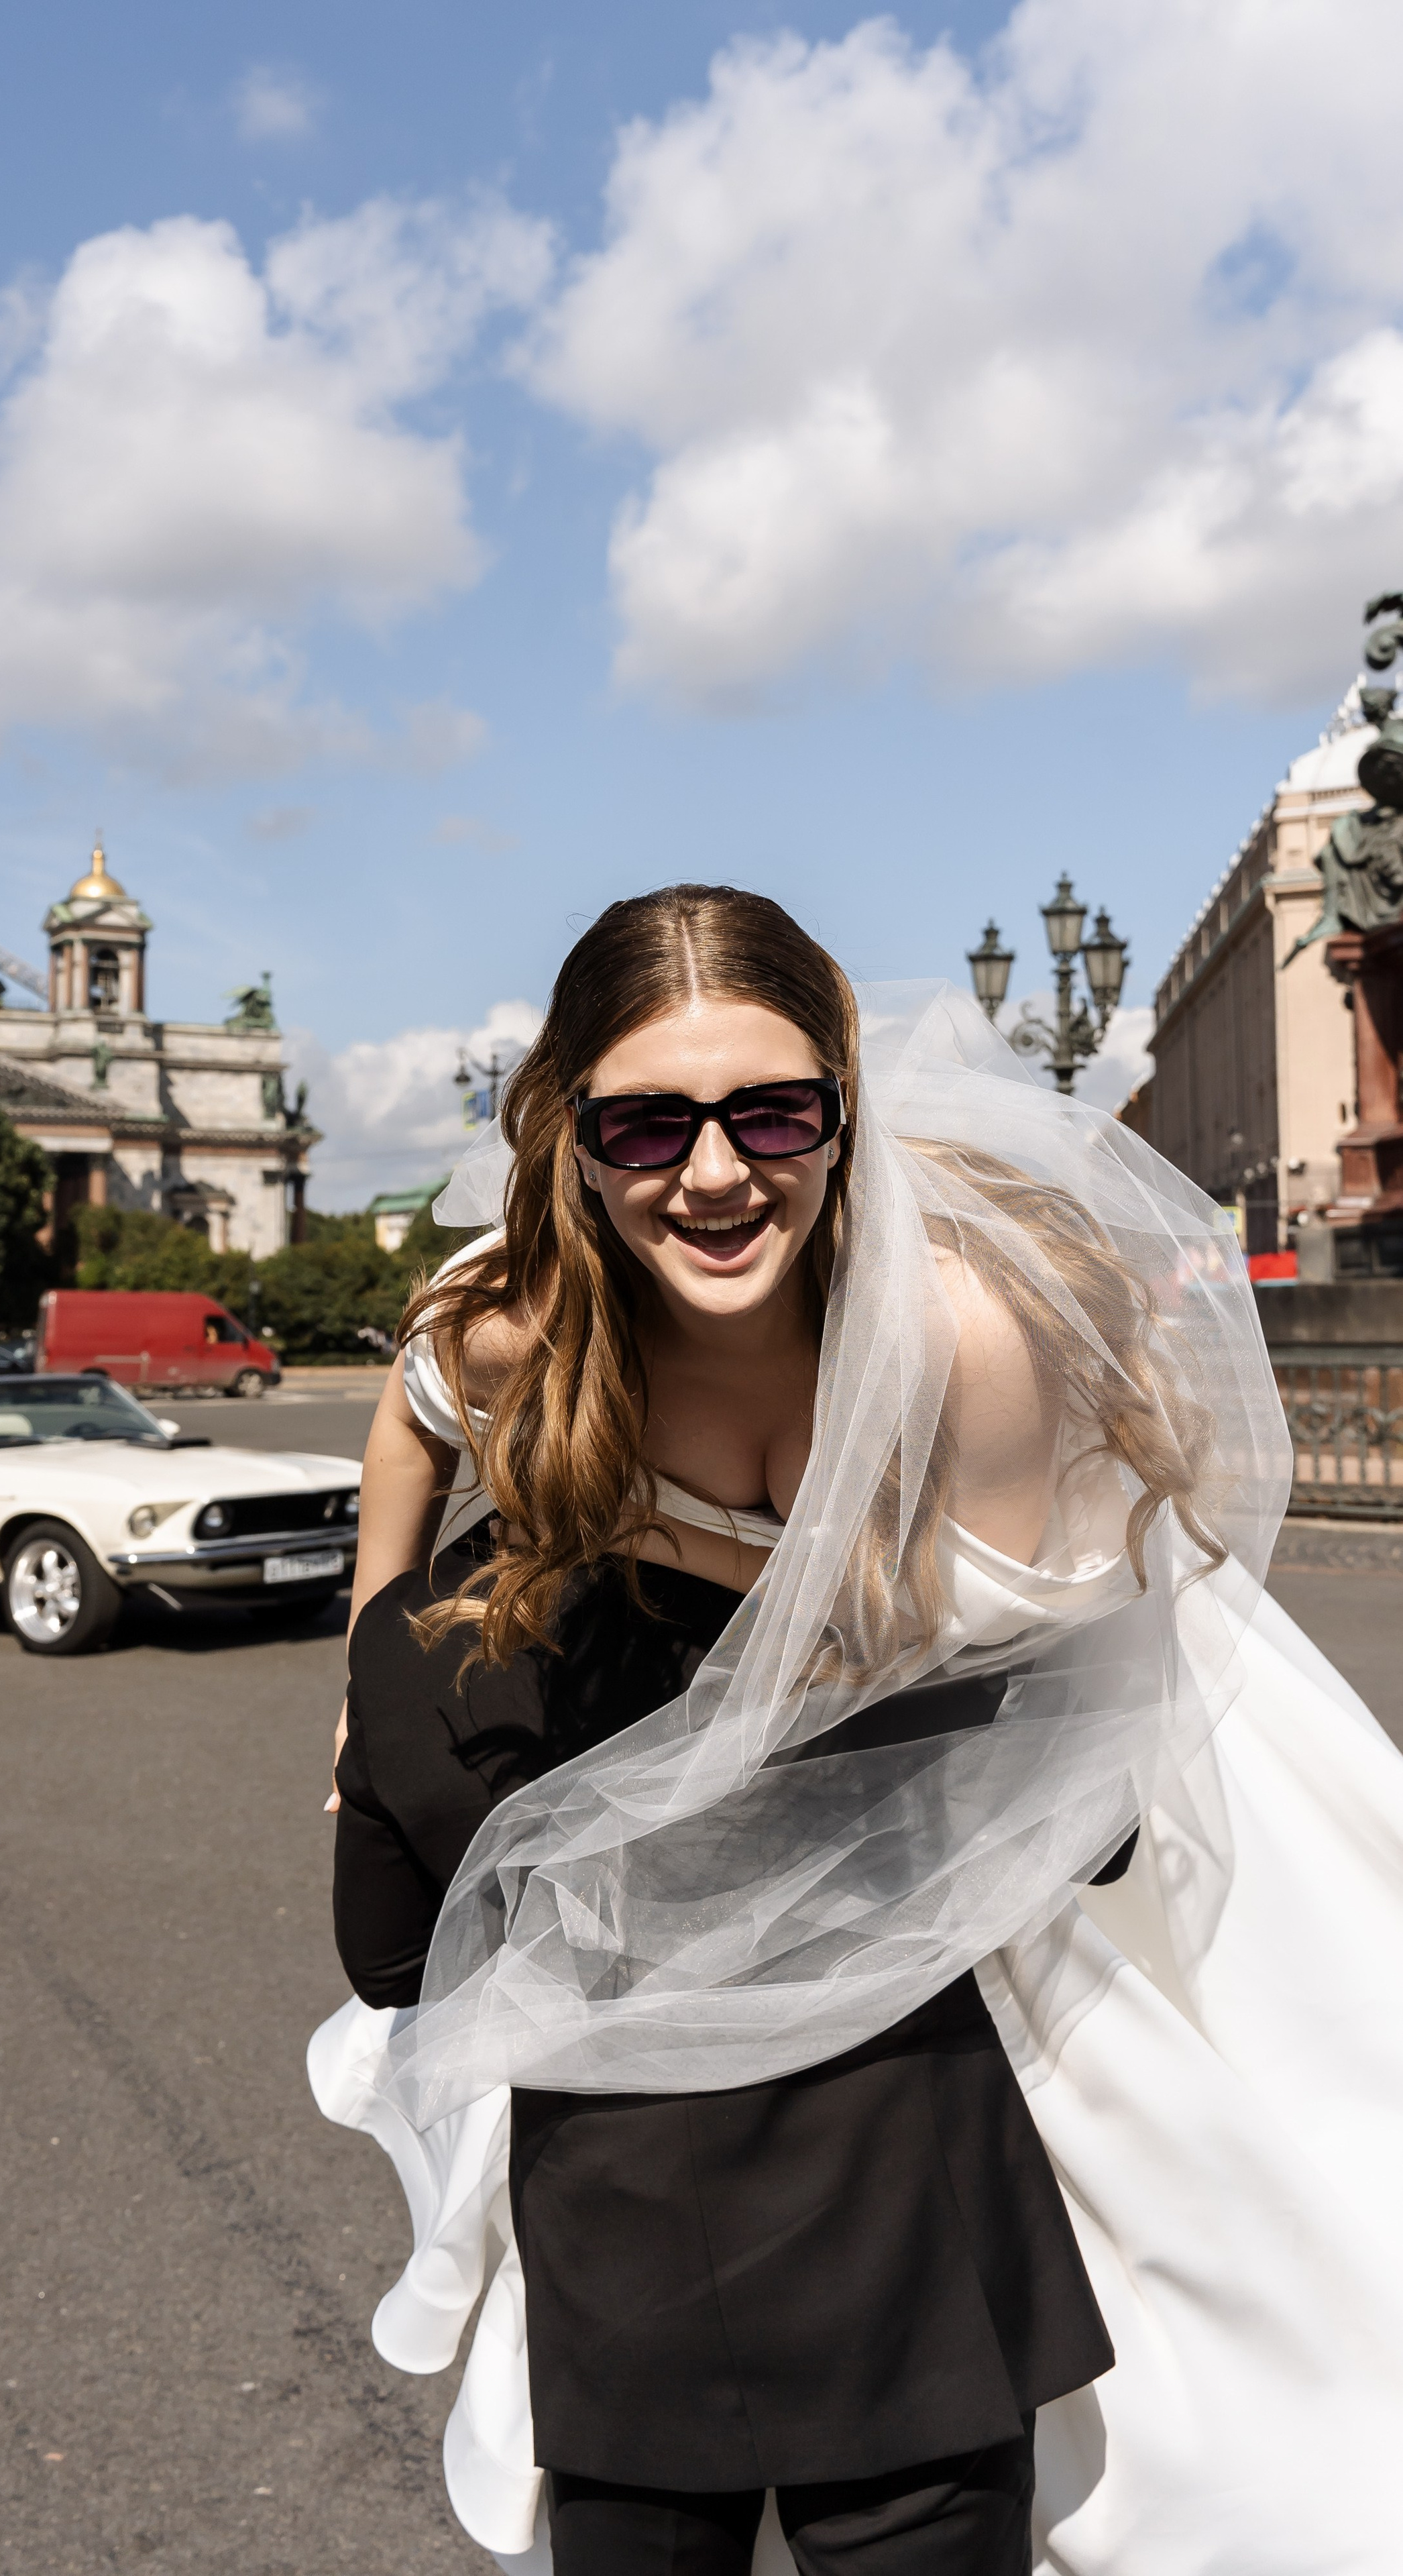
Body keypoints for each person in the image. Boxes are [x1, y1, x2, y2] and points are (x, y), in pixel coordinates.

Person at [313, 887, 1403, 2576]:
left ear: (840, 1107)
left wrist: (635, 1578)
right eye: (643, 1124)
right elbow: (410, 1417)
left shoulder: (963, 1341)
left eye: (772, 1111)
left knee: (1196, 2209)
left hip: (1001, 1700)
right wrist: (374, 1644)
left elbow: (1002, 1717)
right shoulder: (517, 1320)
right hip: (736, 1695)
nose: (714, 1173)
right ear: (567, 1136)